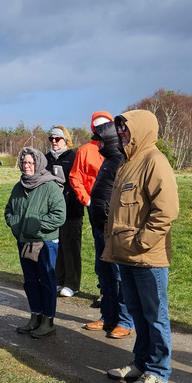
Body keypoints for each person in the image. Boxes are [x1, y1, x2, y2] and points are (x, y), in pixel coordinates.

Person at [102, 109, 179, 383]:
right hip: (126, 255)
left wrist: (141, 243)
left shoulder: (154, 161)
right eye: (119, 128)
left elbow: (167, 210)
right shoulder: (127, 162)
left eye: (126, 128)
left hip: (147, 257)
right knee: (137, 313)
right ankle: (142, 363)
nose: (121, 133)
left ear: (141, 129)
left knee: (155, 315)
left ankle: (158, 371)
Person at [5, 147, 66, 339]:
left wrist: (35, 227)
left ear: (38, 163)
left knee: (47, 282)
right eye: (24, 163)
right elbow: (9, 211)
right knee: (30, 282)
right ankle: (35, 317)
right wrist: (17, 226)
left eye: (30, 163)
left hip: (45, 242)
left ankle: (48, 321)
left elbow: (59, 215)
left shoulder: (50, 186)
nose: (27, 166)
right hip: (24, 241)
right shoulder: (19, 187)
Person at [81, 119, 134, 338]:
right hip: (99, 227)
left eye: (100, 142)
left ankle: (125, 320)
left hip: (113, 229)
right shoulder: (109, 160)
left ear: (110, 141)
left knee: (119, 276)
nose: (98, 146)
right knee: (105, 275)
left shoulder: (122, 162)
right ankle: (108, 317)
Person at [68, 111, 116, 299]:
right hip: (94, 207)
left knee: (116, 253)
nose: (101, 130)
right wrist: (86, 199)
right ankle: (104, 292)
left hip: (116, 209)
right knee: (101, 250)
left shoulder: (120, 150)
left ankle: (119, 300)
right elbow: (75, 176)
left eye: (105, 126)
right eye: (97, 127)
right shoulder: (85, 150)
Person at [45, 125, 84, 297]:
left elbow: (78, 181)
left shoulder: (74, 157)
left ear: (65, 141)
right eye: (51, 139)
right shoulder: (47, 158)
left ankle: (72, 283)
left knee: (71, 247)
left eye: (57, 139)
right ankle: (59, 280)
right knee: (57, 246)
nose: (54, 142)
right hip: (53, 210)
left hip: (72, 209)